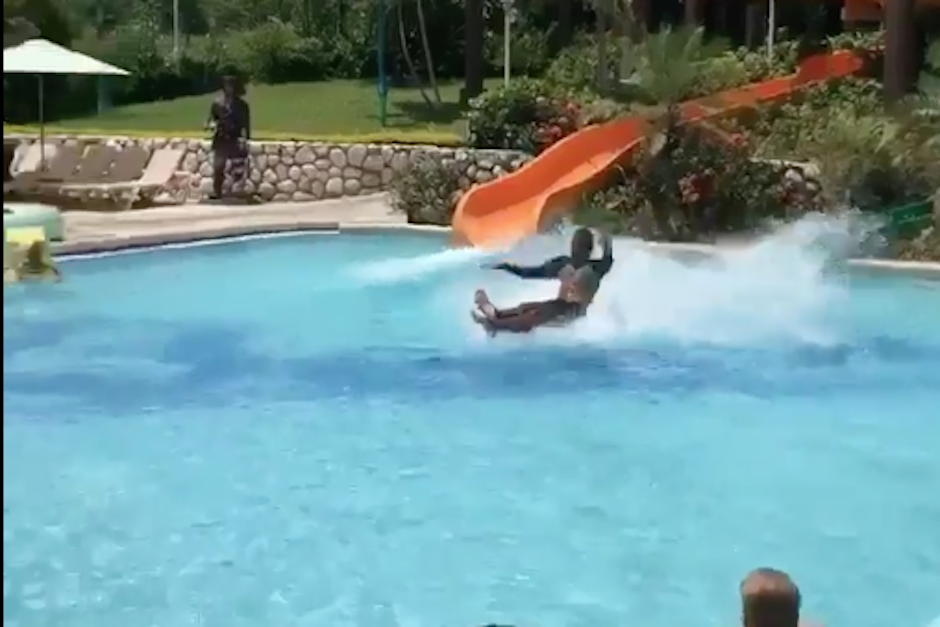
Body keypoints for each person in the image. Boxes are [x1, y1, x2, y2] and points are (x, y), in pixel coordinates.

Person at [471, 227, 613, 334]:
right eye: (574, 245)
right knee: (525, 308)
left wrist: (606, 240)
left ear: (588, 250)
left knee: (533, 316)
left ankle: (494, 325)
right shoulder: (564, 264)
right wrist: (508, 267)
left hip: (573, 312)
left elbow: (608, 258)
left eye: (578, 246)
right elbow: (531, 273)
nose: (574, 249)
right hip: (558, 306)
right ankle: (497, 315)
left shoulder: (595, 268)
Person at [206, 75, 251, 201]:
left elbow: (246, 124)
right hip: (221, 138)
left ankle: (238, 190)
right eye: (226, 86)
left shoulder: (242, 105)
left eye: (231, 86)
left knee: (239, 166)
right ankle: (217, 191)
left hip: (235, 138)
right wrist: (211, 125)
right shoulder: (217, 103)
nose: (229, 88)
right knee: (218, 166)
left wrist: (245, 138)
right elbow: (210, 120)